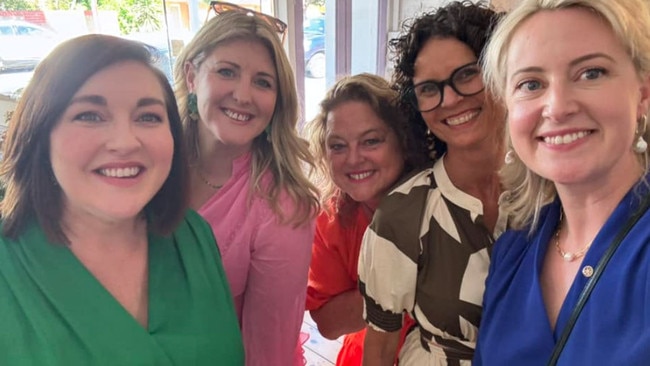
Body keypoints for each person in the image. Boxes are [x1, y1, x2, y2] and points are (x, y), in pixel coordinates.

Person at [0, 34, 244, 364]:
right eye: (89, 115)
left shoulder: (193, 236)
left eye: (148, 117)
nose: (125, 142)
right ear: (41, 132)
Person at [475, 0, 650, 364]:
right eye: (531, 83)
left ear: (643, 94)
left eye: (591, 73)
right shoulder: (512, 252)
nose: (557, 106)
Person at [357, 2, 507, 365]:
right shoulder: (402, 215)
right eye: (428, 89)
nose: (450, 99)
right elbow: (378, 348)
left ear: (502, 70)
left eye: (467, 74)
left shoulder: (555, 191)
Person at [173, 11, 320, 366]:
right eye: (227, 72)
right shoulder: (151, 159)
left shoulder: (284, 205)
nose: (243, 95)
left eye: (263, 82)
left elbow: (268, 351)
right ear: (192, 76)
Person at [305, 73, 424, 366]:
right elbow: (328, 323)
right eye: (338, 146)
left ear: (403, 140)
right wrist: (400, 284)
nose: (354, 159)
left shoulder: (440, 198)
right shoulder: (330, 220)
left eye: (371, 141)